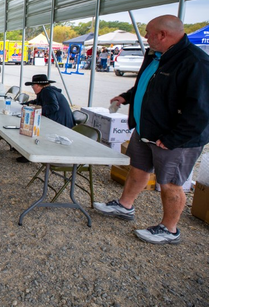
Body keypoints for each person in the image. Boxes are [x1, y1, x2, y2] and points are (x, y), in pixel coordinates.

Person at [94, 14, 209, 245]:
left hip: (174, 138)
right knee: (138, 169)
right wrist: (127, 96)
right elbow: (146, 85)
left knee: (170, 183)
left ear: (163, 35)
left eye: (148, 33)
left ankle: (169, 229)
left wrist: (174, 138)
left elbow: (202, 111)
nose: (145, 37)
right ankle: (125, 206)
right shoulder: (155, 54)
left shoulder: (195, 62)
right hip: (146, 128)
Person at [16, 74, 74, 163]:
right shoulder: (47, 91)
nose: (32, 88)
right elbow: (36, 102)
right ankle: (25, 150)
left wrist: (35, 111)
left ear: (37, 85)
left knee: (32, 128)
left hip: (60, 124)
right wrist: (25, 104)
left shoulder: (47, 92)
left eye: (32, 86)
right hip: (63, 122)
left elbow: (54, 107)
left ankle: (31, 153)